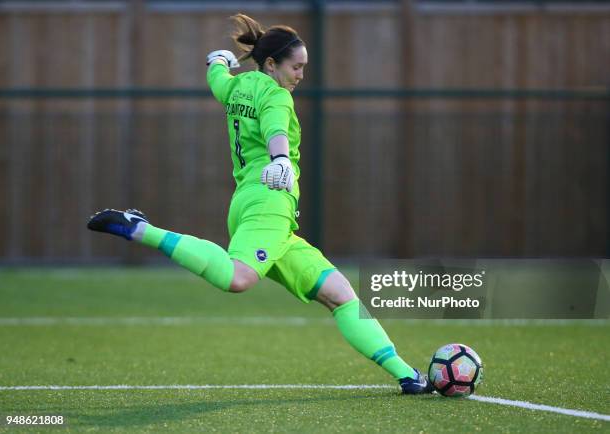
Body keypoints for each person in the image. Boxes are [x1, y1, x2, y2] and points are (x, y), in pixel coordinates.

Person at [87, 13, 432, 395]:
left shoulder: (235, 88)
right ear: (271, 64)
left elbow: (217, 78)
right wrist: (281, 159)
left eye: (304, 67)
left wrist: (218, 60)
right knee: (238, 278)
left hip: (255, 207)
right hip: (270, 202)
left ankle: (408, 375)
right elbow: (275, 128)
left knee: (339, 294)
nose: (301, 75)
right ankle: (140, 228)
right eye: (296, 67)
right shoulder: (277, 95)